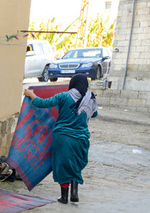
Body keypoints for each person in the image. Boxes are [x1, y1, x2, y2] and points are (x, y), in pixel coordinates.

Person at [23, 74, 98, 204]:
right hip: (81, 139)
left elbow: (42, 103)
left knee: (62, 166)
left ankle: (64, 197)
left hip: (63, 138)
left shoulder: (64, 96)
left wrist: (31, 94)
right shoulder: (90, 99)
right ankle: (74, 192)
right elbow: (95, 114)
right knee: (75, 165)